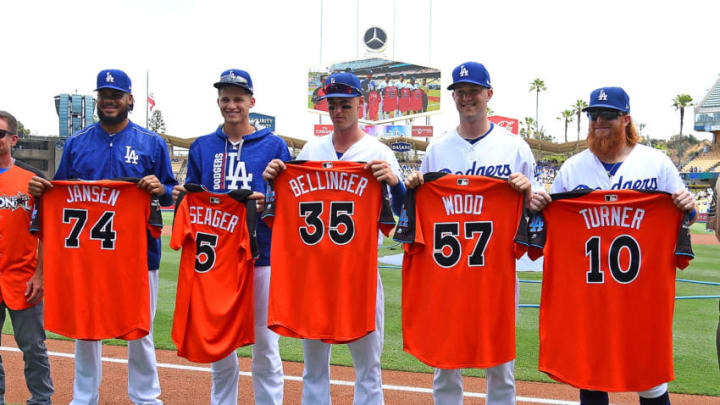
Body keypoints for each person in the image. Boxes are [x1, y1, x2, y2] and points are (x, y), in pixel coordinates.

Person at [529, 86, 695, 405]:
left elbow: (687, 214)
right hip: (589, 297)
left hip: (642, 298)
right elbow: (551, 224)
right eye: (593, 115)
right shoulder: (573, 168)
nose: (598, 121)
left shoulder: (656, 164)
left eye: (608, 115)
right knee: (591, 377)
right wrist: (539, 207)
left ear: (626, 119)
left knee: (650, 380)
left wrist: (687, 205)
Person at [28, 69, 177, 405]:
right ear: (98, 100)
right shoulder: (78, 143)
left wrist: (160, 188)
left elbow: (172, 193)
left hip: (140, 256)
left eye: (116, 95)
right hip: (89, 254)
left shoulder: (151, 143)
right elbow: (58, 194)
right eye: (104, 95)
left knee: (141, 331)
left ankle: (146, 397)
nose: (109, 101)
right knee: (86, 327)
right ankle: (84, 397)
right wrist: (41, 190)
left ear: (130, 100)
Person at [263, 71, 406, 405]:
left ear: (361, 103)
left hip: (360, 274)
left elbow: (404, 215)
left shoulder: (379, 151)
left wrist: (395, 185)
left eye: (345, 104)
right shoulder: (313, 149)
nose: (338, 111)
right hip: (314, 274)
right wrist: (273, 181)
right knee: (314, 367)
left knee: (368, 367)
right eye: (332, 105)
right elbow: (288, 206)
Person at [404, 62, 537, 405]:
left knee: (501, 365)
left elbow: (536, 210)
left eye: (473, 91)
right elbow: (422, 208)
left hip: (496, 272)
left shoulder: (514, 147)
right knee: (444, 363)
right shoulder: (437, 149)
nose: (466, 98)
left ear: (488, 94)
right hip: (446, 272)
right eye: (460, 92)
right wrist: (415, 186)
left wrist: (527, 192)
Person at [172, 68, 289, 405]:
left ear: (251, 102)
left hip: (262, 255)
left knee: (266, 345)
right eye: (225, 98)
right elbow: (190, 196)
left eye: (238, 98)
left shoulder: (274, 144)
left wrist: (268, 200)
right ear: (219, 102)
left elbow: (289, 199)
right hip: (219, 260)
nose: (231, 104)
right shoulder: (203, 147)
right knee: (220, 341)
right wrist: (183, 194)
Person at [0, 111, 54, 405]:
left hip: (23, 276)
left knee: (33, 347)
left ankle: (41, 399)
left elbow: (48, 232)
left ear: (13, 139)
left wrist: (40, 274)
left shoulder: (32, 180)